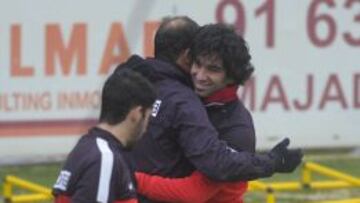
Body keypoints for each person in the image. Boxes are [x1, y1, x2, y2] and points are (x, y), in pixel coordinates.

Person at [123, 16, 302, 203]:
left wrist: (130, 179)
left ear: (232, 77)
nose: (200, 76)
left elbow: (193, 193)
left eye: (213, 69)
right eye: (197, 64)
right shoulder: (186, 98)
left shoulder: (237, 128)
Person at [52, 69, 156, 203]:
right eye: (148, 117)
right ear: (137, 113)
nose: (147, 127)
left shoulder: (88, 147)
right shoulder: (104, 159)